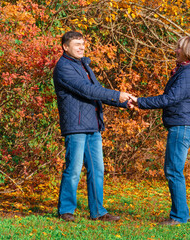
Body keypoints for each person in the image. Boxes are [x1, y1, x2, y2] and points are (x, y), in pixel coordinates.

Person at [53, 31, 134, 222]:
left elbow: (96, 92)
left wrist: (123, 103)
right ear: (66, 47)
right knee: (73, 169)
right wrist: (117, 95)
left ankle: (98, 211)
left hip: (93, 124)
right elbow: (87, 90)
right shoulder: (64, 67)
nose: (81, 47)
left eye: (83, 43)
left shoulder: (84, 65)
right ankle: (66, 210)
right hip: (76, 126)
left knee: (97, 169)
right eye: (76, 44)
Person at [129, 36, 190, 225]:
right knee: (173, 170)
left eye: (179, 47)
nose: (175, 50)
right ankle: (180, 215)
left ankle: (179, 216)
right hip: (181, 123)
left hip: (182, 125)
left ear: (187, 50)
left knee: (173, 171)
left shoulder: (188, 73)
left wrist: (140, 102)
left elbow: (169, 99)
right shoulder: (185, 70)